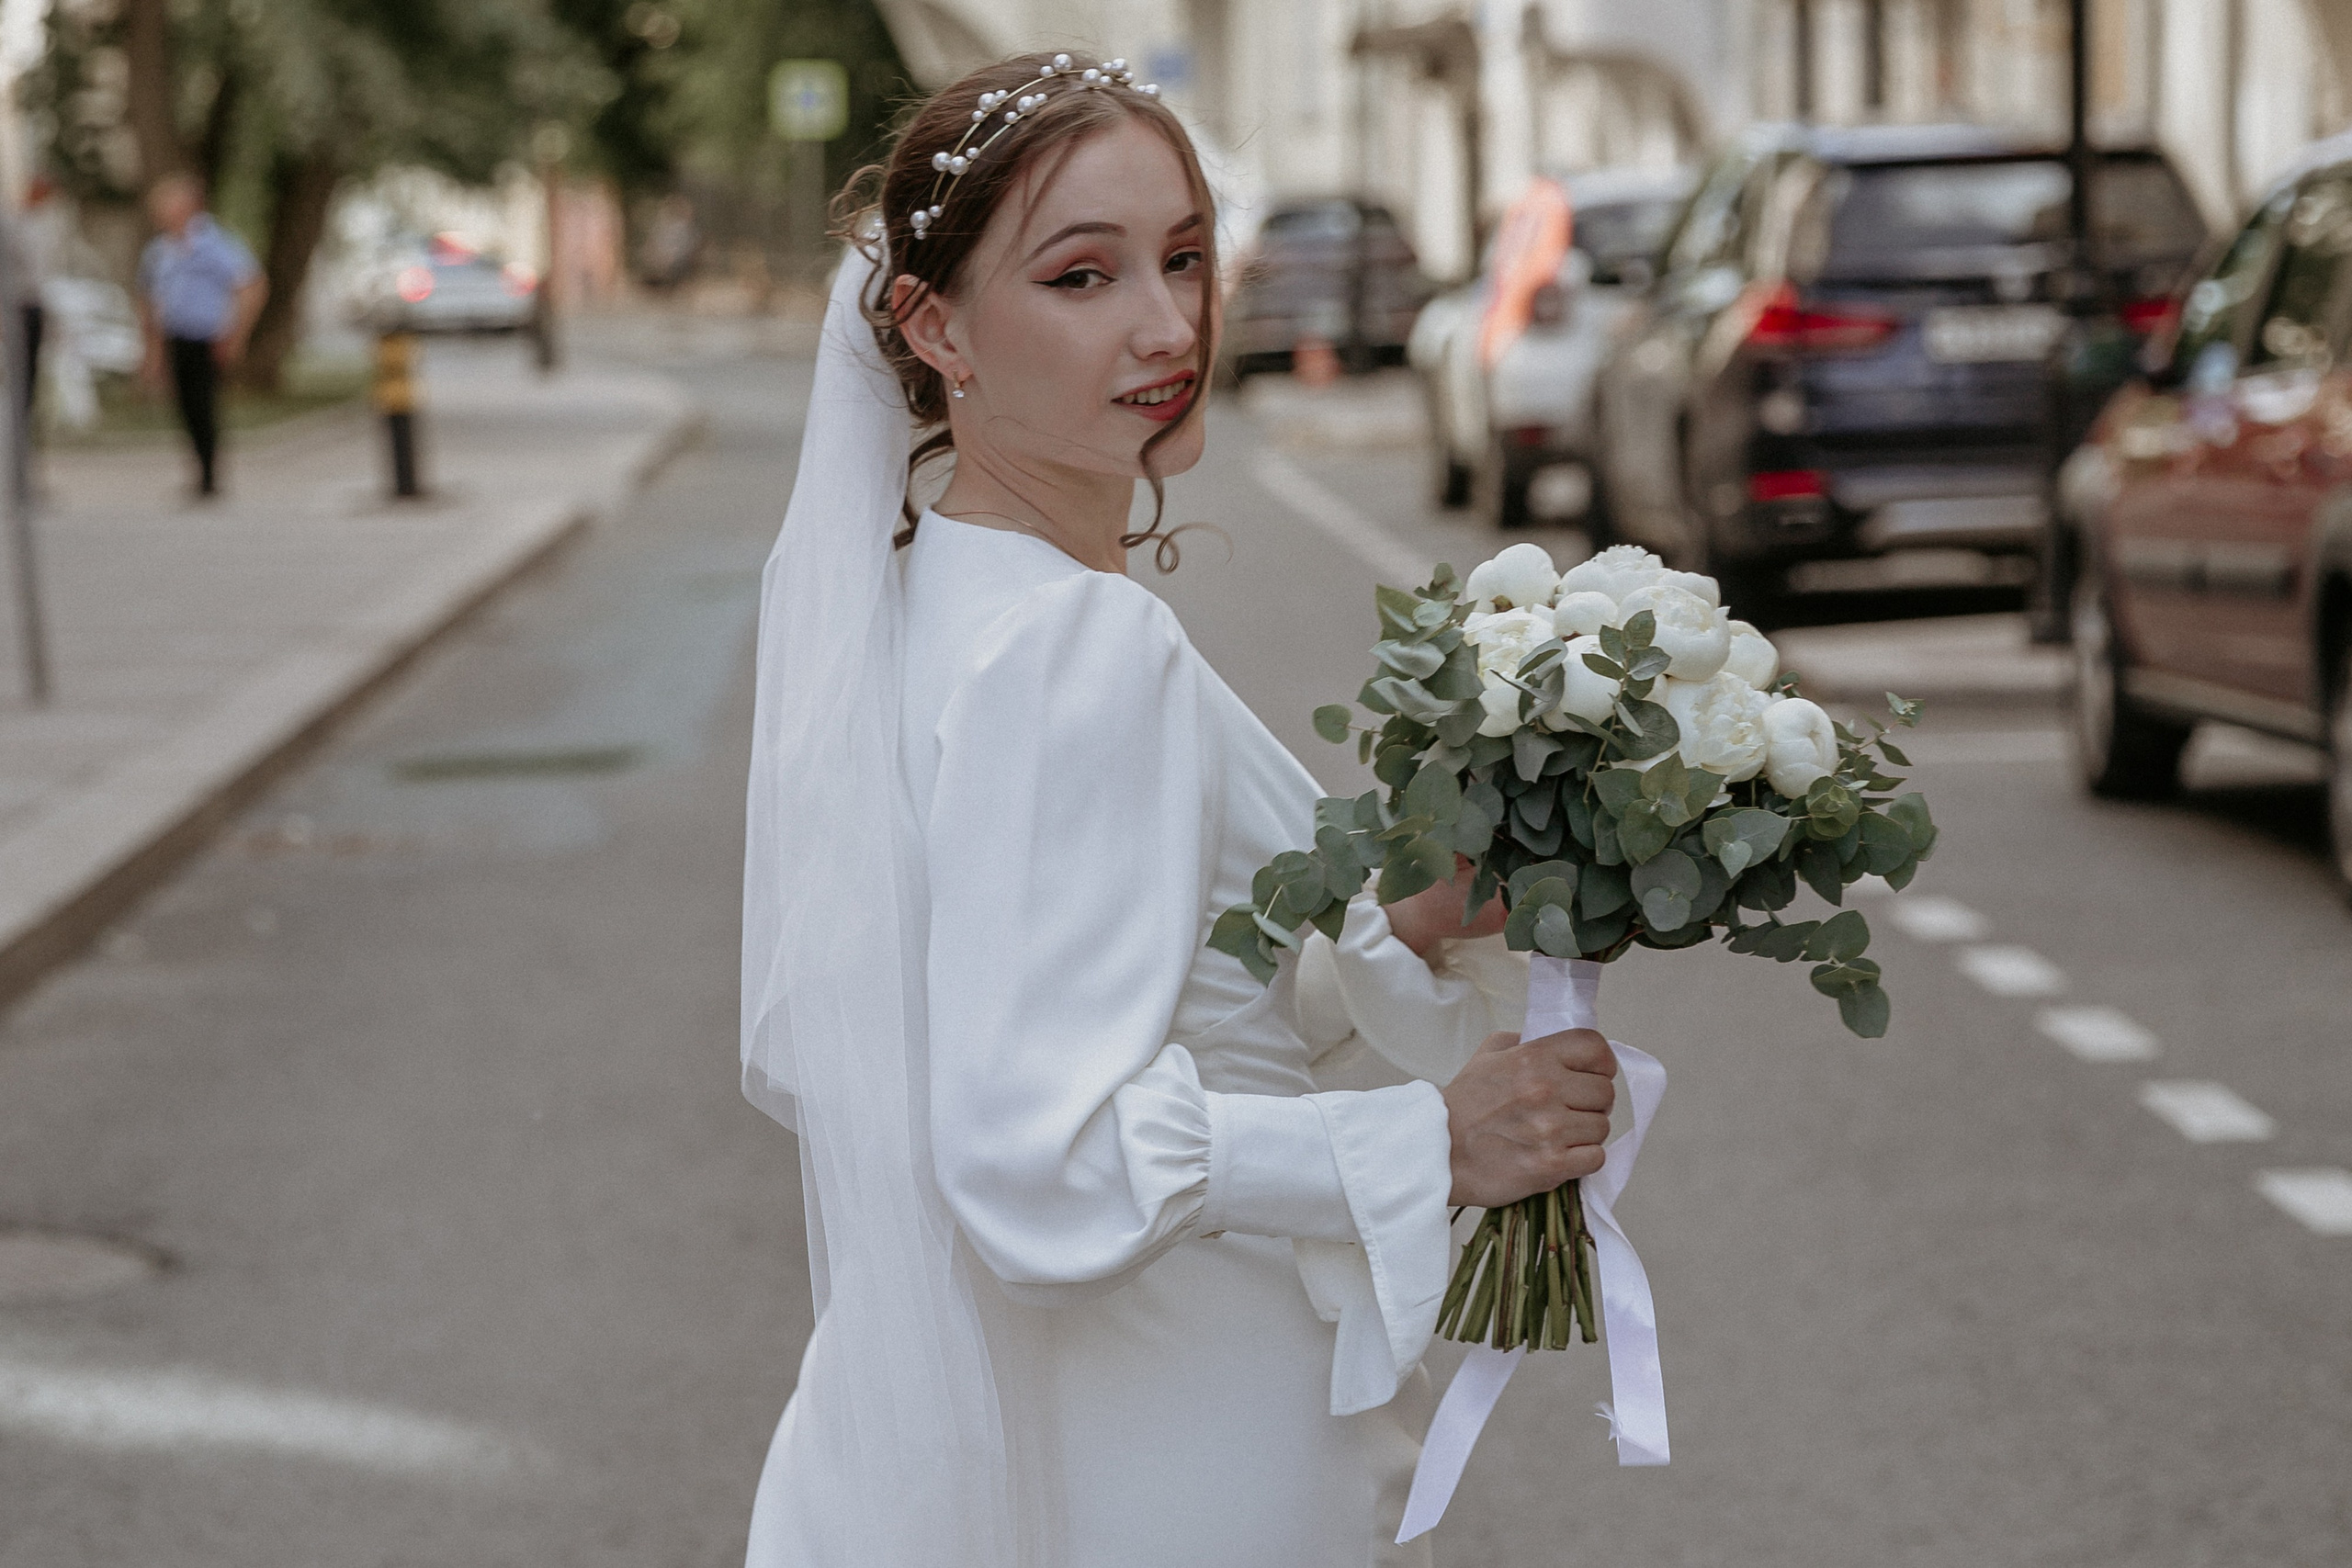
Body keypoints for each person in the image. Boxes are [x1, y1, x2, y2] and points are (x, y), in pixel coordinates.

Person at [740, 51, 1620, 1567]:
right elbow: (1037, 1151)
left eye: (1187, 257)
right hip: (1160, 1426)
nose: (1167, 328)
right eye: (1082, 276)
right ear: (933, 324)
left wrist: (1392, 926)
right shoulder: (1081, 643)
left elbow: (1051, 997)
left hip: (970, 1408)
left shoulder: (924, 593)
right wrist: (1431, 1143)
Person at [136, 173, 266, 498]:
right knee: (184, 406)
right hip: (175, 336)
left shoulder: (214, 242)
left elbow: (250, 284)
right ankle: (198, 469)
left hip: (208, 336)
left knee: (204, 404)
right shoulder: (160, 251)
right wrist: (151, 352)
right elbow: (149, 300)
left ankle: (210, 474)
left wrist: (236, 334)